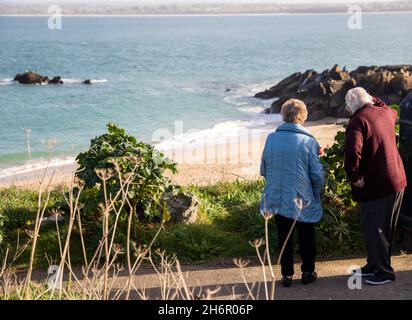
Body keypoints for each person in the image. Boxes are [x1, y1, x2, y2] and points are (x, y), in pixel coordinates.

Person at [344, 87, 407, 285]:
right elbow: (388, 107)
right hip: (397, 179)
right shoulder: (385, 113)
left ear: (352, 105)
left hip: (377, 183)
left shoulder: (358, 121)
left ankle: (383, 273)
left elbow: (352, 153)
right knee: (384, 227)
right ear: (369, 99)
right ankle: (374, 265)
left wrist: (354, 178)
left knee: (375, 228)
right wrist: (371, 99)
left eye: (347, 105)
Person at [260, 99, 324, 287]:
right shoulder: (308, 141)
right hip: (301, 196)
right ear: (303, 116)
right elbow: (317, 174)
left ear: (283, 115)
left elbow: (264, 168)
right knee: (306, 234)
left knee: (284, 236)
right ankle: (308, 271)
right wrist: (317, 192)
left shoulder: (271, 138)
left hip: (277, 195)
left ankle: (286, 275)